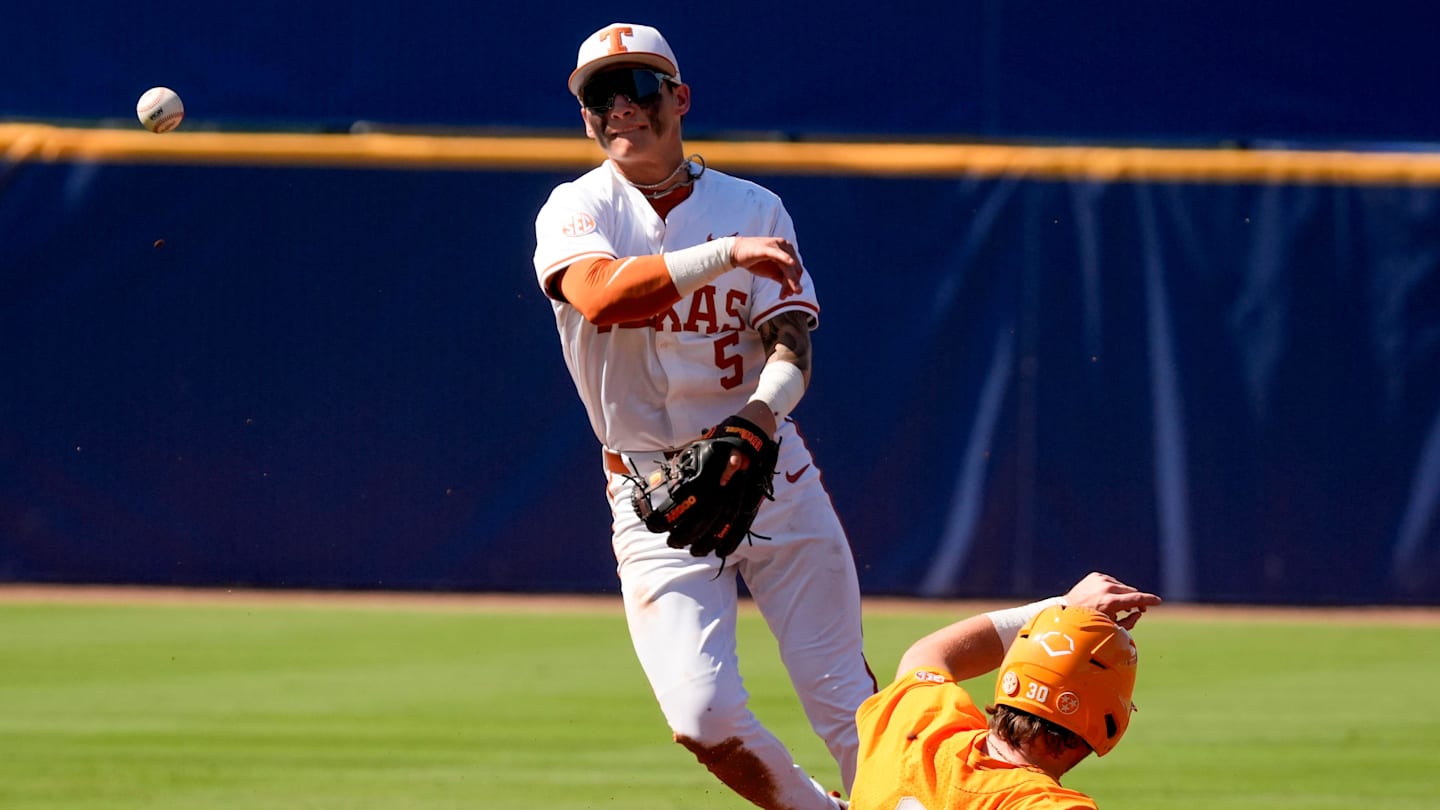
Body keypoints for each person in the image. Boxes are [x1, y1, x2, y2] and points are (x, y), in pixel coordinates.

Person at [531, 22, 876, 810]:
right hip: (649, 493)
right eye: (600, 95)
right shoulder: (574, 210)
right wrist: (723, 255)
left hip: (772, 474)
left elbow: (791, 347)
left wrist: (760, 418)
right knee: (701, 715)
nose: (621, 107)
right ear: (585, 116)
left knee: (849, 708)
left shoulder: (754, 207)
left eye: (640, 88)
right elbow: (603, 298)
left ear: (679, 99)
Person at [848, 573, 1163, 810]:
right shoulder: (1038, 803)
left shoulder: (912, 732)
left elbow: (930, 653)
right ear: (1110, 723)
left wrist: (1064, 608)